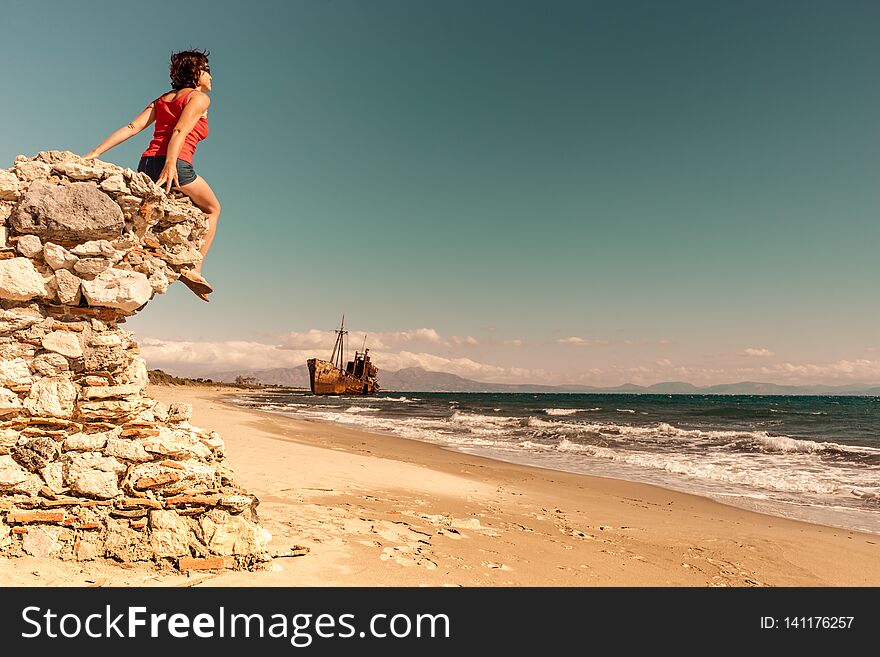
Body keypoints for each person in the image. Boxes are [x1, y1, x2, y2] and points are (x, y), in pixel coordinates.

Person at [82, 49, 218, 302]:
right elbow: (179, 131)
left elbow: (132, 127)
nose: (211, 75)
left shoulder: (162, 100)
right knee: (213, 209)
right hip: (176, 162)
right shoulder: (198, 99)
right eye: (207, 69)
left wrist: (95, 152)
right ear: (196, 73)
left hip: (146, 163)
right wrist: (171, 164)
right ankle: (195, 268)